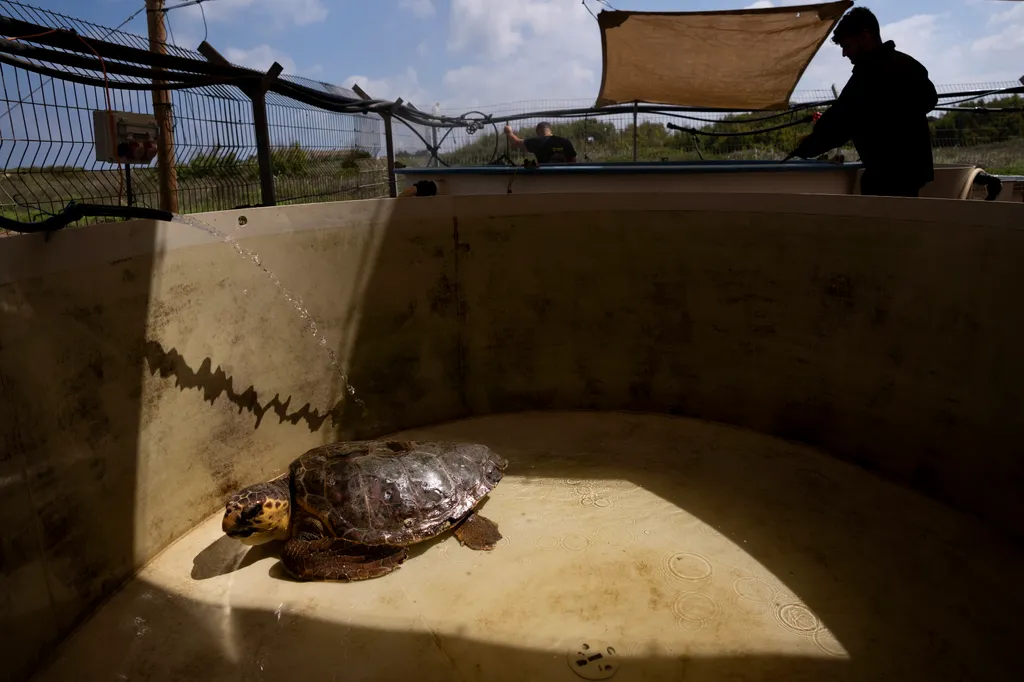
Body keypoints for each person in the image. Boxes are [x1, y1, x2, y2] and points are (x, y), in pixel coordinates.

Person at [786, 7, 938, 197]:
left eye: (847, 45)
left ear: (865, 37)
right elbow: (930, 99)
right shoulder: (909, 65)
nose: (844, 53)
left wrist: (805, 149)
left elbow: (839, 122)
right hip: (911, 174)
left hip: (885, 176)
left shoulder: (869, 75)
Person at [503, 122, 578, 164]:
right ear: (549, 130)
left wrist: (509, 132)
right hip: (566, 178)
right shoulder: (565, 142)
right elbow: (573, 161)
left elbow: (516, 142)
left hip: (545, 178)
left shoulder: (537, 142)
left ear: (538, 131)